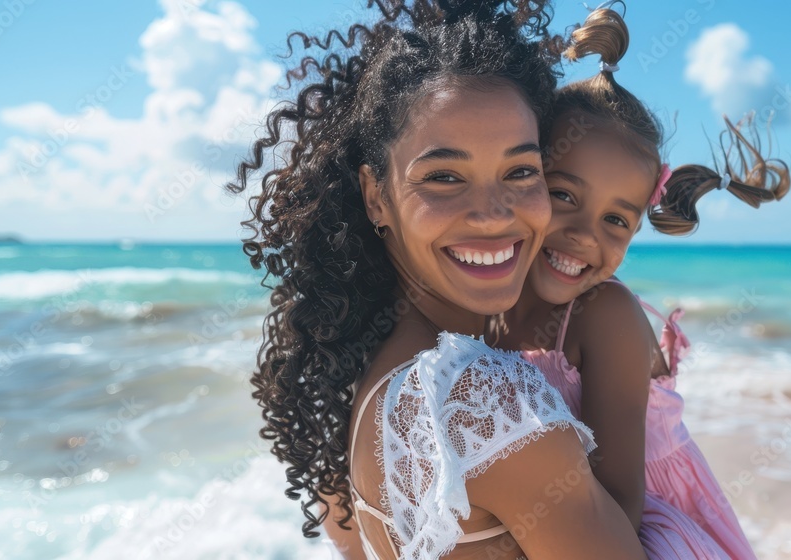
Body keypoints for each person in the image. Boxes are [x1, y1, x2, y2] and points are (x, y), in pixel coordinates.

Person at [226, 1, 650, 558]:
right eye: (444, 177)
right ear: (376, 195)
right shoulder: (486, 408)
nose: (495, 213)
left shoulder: (354, 378)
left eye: (521, 171)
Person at [488, 4, 790, 559]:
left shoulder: (606, 317)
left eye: (616, 221)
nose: (583, 235)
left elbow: (622, 507)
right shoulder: (490, 295)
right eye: (564, 196)